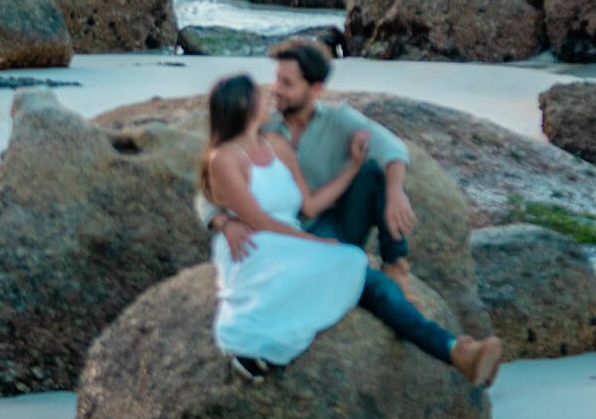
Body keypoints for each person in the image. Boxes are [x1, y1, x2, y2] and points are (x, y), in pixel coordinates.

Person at [201, 72, 502, 387]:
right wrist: (304, 241)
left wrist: (353, 168)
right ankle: (455, 351)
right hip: (257, 245)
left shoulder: (277, 144)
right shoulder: (223, 158)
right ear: (243, 105)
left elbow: (310, 206)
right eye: (260, 95)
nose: (270, 98)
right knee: (354, 266)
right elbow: (258, 220)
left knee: (368, 278)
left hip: (291, 239)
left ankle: (456, 351)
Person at [198, 39, 416, 287]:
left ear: (315, 89)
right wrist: (225, 223)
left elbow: (392, 148)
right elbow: (209, 190)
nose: (276, 89)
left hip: (330, 222)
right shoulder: (261, 126)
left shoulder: (339, 120)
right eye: (277, 78)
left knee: (374, 173)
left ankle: (395, 266)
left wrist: (395, 191)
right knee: (364, 284)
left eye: (287, 83)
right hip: (277, 233)